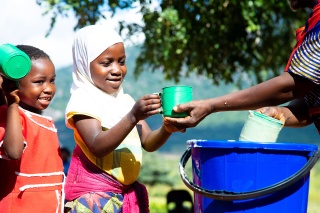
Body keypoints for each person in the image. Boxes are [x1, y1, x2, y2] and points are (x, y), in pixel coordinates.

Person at [64, 24, 181, 213]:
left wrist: (168, 127)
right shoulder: (83, 98)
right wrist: (133, 116)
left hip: (119, 195)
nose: (117, 69)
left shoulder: (124, 101)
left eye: (121, 61)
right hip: (94, 198)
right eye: (106, 62)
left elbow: (148, 142)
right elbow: (97, 145)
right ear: (85, 63)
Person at [164, 0, 320, 134]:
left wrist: (210, 105)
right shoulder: (312, 23)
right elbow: (307, 108)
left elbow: (294, 85)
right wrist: (279, 113)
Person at [0, 45, 64, 212]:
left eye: (52, 80)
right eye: (39, 82)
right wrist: (12, 104)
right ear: (14, 84)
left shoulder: (45, 121)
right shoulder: (10, 115)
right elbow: (13, 152)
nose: (49, 88)